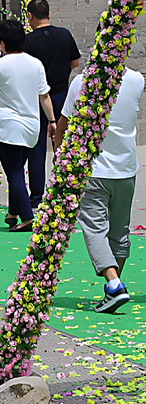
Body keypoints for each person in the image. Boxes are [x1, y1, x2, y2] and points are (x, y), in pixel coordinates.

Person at [56, 60, 144, 313]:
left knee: (94, 229)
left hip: (94, 168)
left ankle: (114, 284)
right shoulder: (137, 80)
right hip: (126, 168)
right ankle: (113, 288)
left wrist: (60, 156)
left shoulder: (81, 82)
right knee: (120, 232)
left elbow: (63, 123)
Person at [0, 19, 56, 234]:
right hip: (32, 127)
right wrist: (53, 121)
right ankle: (12, 213)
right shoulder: (35, 63)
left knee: (14, 174)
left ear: (1, 43)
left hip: (9, 128)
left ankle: (28, 217)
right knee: (17, 171)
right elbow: (44, 95)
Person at [24, 0, 81, 208]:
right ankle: (66, 190)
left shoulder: (28, 41)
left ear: (30, 16)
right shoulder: (64, 34)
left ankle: (37, 196)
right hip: (62, 94)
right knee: (64, 144)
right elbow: (75, 62)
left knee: (37, 147)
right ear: (49, 14)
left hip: (38, 97)